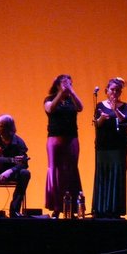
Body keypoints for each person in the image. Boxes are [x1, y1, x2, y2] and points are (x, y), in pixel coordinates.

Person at [44, 74, 84, 218]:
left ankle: (72, 208)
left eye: (70, 83)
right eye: (65, 83)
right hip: (55, 140)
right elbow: (50, 109)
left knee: (71, 171)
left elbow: (80, 107)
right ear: (57, 85)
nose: (68, 86)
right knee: (55, 171)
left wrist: (72, 92)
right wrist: (60, 92)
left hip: (71, 139)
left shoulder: (71, 101)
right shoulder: (49, 99)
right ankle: (56, 207)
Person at [92, 77, 127, 219]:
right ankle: (101, 209)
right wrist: (102, 118)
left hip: (119, 147)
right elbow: (96, 124)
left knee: (117, 176)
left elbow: (126, 122)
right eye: (112, 90)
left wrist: (116, 110)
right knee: (103, 176)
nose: (114, 92)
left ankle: (115, 210)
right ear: (106, 91)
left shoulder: (125, 106)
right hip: (103, 147)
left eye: (117, 90)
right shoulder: (100, 106)